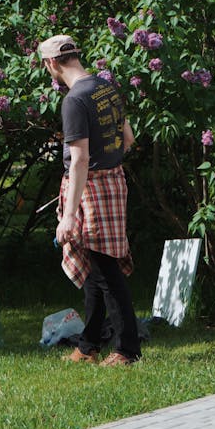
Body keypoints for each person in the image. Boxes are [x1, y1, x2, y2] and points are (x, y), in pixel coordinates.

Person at [39, 33, 141, 366]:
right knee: (96, 270)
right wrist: (108, 165)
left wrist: (69, 215)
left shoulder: (74, 100)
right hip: (112, 182)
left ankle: (128, 350)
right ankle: (89, 345)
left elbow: (80, 159)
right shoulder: (106, 87)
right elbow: (128, 139)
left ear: (52, 63)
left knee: (107, 270)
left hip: (90, 188)